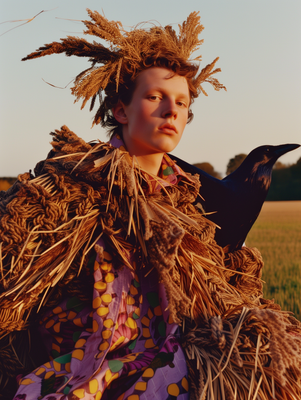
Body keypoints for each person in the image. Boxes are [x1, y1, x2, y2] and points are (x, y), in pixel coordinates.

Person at [0, 10, 300, 400]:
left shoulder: (191, 197)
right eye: (155, 97)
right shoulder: (71, 187)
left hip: (176, 348)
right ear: (121, 111)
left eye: (181, 102)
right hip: (92, 363)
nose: (171, 111)